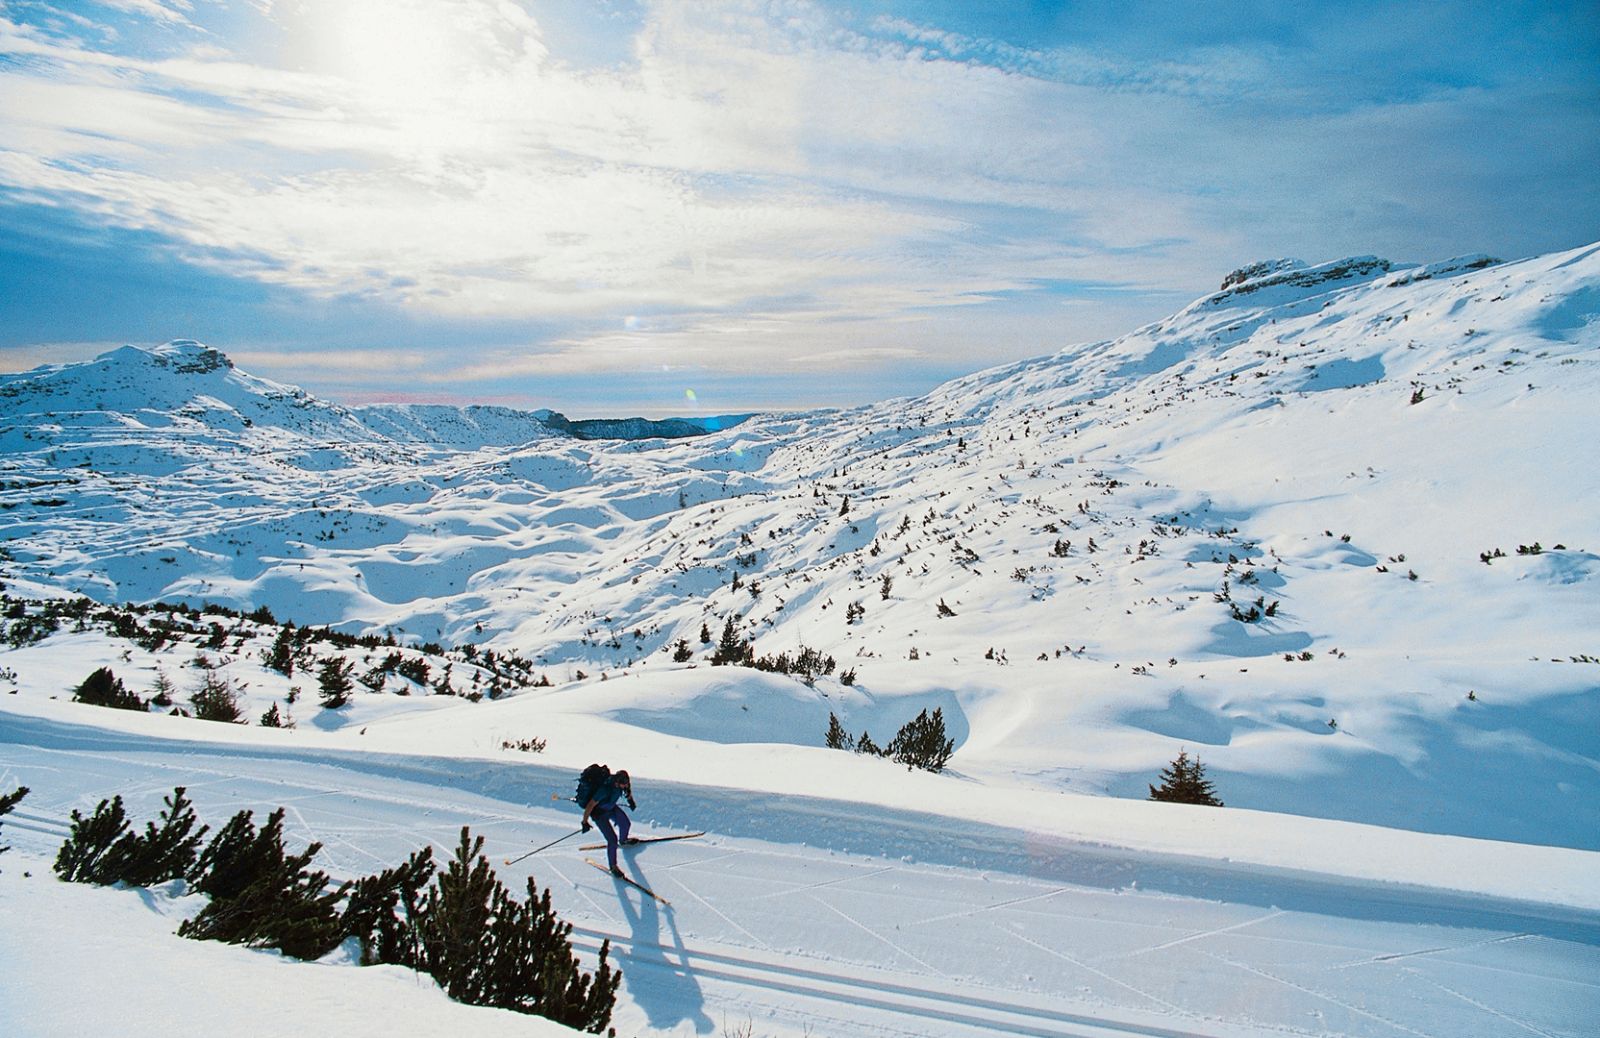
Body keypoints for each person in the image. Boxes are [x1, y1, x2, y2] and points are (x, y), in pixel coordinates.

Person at [581, 768, 638, 874]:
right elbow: (590, 805)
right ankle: (613, 866)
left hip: (610, 808)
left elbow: (627, 791)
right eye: (623, 784)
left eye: (626, 783)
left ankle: (623, 840)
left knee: (625, 823)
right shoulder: (605, 789)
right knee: (612, 840)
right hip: (599, 815)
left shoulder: (622, 784)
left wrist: (631, 800)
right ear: (617, 782)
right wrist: (585, 822)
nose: (625, 786)